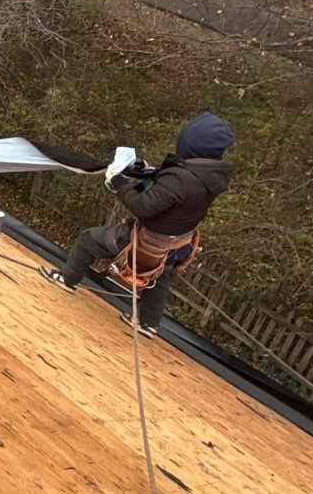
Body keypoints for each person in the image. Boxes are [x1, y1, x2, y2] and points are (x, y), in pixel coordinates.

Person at [40, 111, 236, 334]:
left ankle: (67, 279)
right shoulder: (212, 176)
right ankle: (147, 323)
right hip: (178, 246)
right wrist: (151, 173)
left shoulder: (182, 178)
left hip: (148, 243)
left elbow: (143, 207)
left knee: (89, 240)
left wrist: (117, 180)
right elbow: (174, 192)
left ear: (192, 143)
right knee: (161, 276)